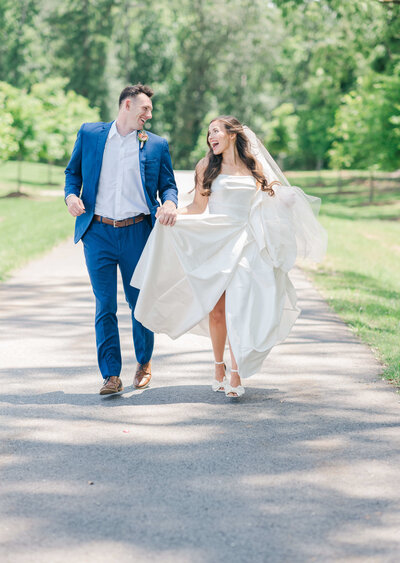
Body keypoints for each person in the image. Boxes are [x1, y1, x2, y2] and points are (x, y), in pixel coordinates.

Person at [131, 115, 327, 399]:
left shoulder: (253, 166)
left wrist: (286, 201)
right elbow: (198, 207)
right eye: (208, 133)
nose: (211, 137)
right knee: (217, 309)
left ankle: (236, 372)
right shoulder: (206, 166)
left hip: (246, 243)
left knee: (239, 308)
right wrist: (172, 212)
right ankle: (217, 366)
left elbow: (268, 200)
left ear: (232, 134)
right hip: (215, 241)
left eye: (216, 131)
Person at [64, 84, 178, 395]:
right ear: (126, 105)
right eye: (145, 109)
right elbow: (72, 173)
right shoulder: (90, 134)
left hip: (138, 232)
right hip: (97, 232)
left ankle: (143, 361)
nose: (149, 115)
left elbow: (168, 186)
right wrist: (71, 196)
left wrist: (169, 203)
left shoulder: (156, 145)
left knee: (139, 302)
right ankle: (111, 375)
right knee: (105, 305)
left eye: (150, 110)